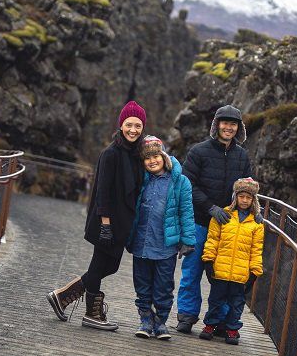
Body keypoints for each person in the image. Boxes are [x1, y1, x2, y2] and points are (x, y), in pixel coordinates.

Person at [47, 101, 146, 330]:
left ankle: (62, 297)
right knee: (99, 265)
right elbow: (102, 191)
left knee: (109, 267)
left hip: (122, 223)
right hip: (107, 221)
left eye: (138, 126)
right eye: (129, 125)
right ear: (121, 125)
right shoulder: (111, 153)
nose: (133, 130)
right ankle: (92, 314)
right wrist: (105, 224)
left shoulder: (136, 154)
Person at [175, 105, 253, 334]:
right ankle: (187, 316)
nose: (228, 127)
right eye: (224, 122)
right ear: (216, 125)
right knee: (193, 270)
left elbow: (248, 189)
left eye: (233, 124)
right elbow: (188, 185)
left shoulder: (242, 156)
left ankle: (219, 321)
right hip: (199, 222)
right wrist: (210, 208)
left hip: (229, 226)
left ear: (238, 128)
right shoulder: (198, 151)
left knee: (224, 275)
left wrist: (251, 213)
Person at [126, 136, 195, 340]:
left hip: (166, 246)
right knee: (142, 284)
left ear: (164, 156)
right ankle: (146, 319)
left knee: (164, 286)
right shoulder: (141, 179)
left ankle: (161, 321)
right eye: (147, 158)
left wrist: (188, 240)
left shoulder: (179, 181)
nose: (152, 161)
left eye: (156, 156)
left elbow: (186, 211)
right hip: (142, 244)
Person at [199, 177, 265, 345]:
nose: (244, 200)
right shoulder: (223, 216)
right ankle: (210, 326)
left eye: (248, 198)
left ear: (253, 200)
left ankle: (232, 329)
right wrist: (208, 260)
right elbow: (212, 240)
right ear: (235, 197)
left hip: (241, 272)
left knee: (236, 303)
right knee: (215, 300)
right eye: (241, 196)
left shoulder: (256, 224)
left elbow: (256, 249)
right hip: (220, 268)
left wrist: (255, 271)